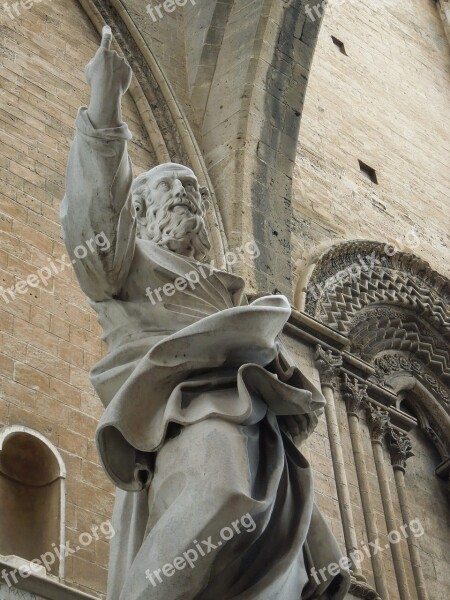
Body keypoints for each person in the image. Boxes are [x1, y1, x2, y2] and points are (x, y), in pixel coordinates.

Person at [61, 26, 350, 600]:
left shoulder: (223, 289)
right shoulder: (123, 264)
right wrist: (104, 104)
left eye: (192, 191)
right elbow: (92, 223)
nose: (185, 198)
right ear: (138, 212)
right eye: (170, 189)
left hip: (257, 420)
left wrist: (279, 371)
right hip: (184, 408)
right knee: (219, 491)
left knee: (315, 569)